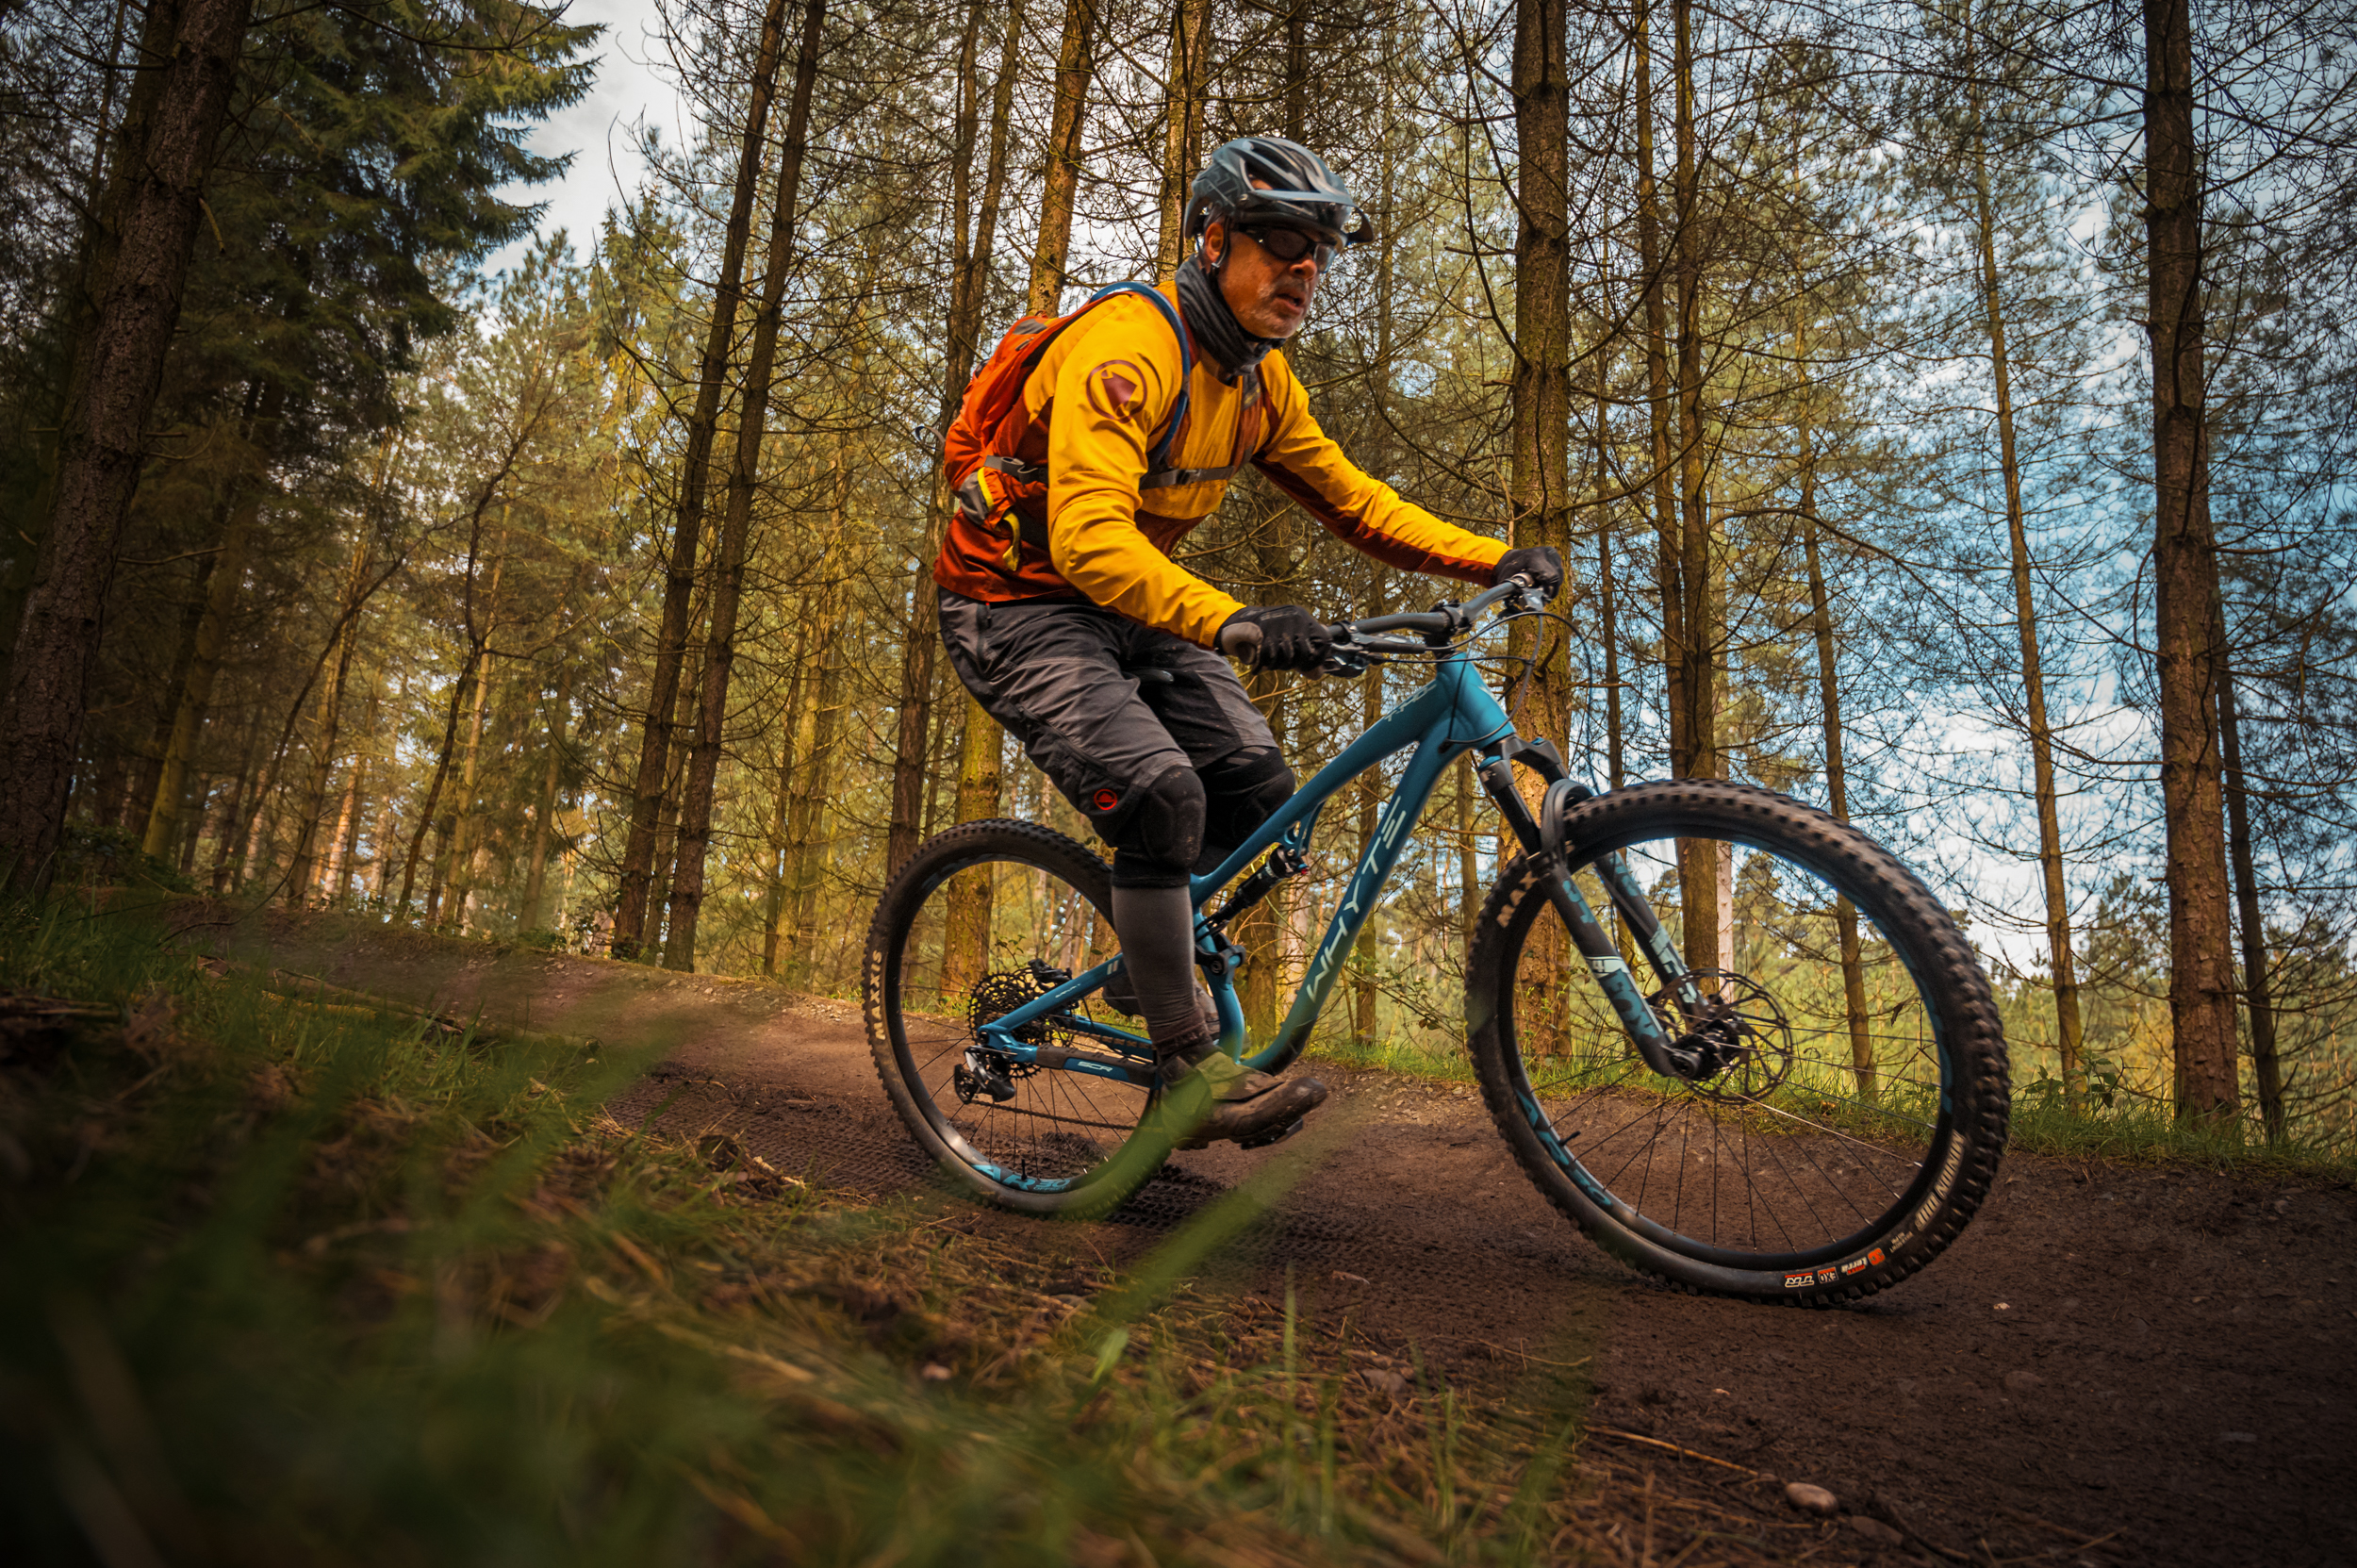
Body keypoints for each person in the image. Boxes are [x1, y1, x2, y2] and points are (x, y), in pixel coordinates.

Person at [932, 135, 1563, 1147]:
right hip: (1014, 602)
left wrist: (1491, 557)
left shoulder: (1260, 386)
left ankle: (1149, 962)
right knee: (1161, 794)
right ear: (1214, 240)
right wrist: (1231, 619)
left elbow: (1357, 503)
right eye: (1279, 243)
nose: (1304, 270)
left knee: (1262, 796)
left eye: (1319, 253)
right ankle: (1189, 1066)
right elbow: (1088, 539)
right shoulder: (1131, 350)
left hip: (1132, 601)